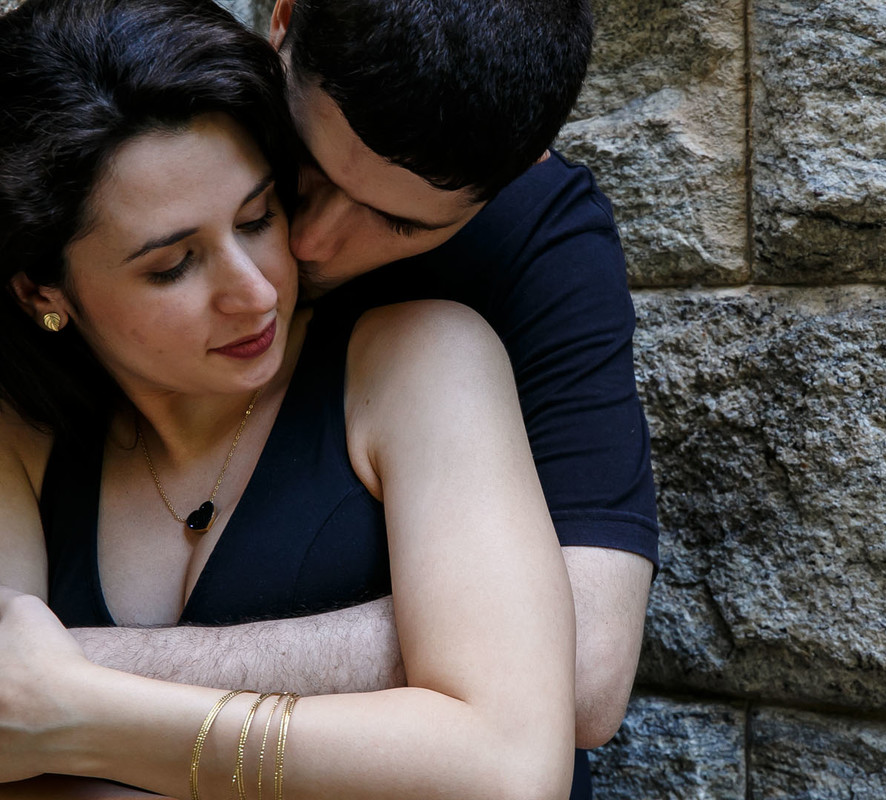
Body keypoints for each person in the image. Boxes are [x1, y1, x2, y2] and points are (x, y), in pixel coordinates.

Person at [70, 1, 661, 796]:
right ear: (281, 23)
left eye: (396, 222)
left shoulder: (534, 246)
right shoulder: (147, 138)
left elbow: (582, 671)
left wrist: (70, 676)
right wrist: (476, 632)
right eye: (306, 166)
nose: (309, 242)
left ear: (515, 177)